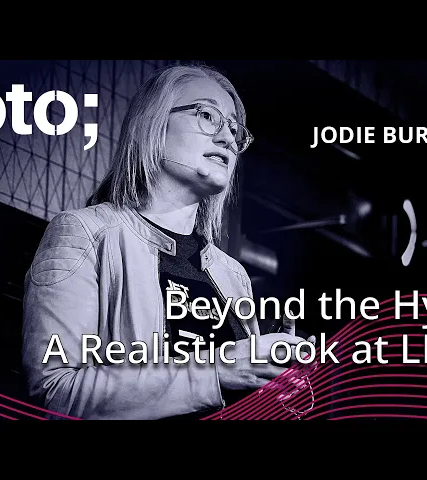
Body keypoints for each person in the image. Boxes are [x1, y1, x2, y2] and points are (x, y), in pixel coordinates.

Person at [21, 62, 311, 420]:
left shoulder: (233, 275)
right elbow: (56, 393)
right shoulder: (84, 233)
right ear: (152, 125)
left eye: (235, 130)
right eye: (207, 115)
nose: (227, 138)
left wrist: (276, 389)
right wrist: (216, 371)